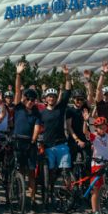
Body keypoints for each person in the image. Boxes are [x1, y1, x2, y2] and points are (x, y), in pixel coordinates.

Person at [13, 62, 41, 208]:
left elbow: (37, 127)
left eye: (32, 100)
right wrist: (18, 74)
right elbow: (17, 91)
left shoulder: (36, 113)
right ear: (25, 99)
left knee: (31, 172)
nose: (30, 102)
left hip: (30, 144)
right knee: (20, 171)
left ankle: (32, 199)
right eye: (28, 99)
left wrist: (34, 139)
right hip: (18, 142)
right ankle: (20, 196)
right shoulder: (18, 108)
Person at [40, 64, 72, 194]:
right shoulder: (41, 113)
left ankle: (67, 192)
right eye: (49, 96)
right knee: (51, 172)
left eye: (53, 96)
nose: (51, 98)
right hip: (48, 146)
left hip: (61, 145)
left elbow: (67, 92)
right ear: (46, 99)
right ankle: (50, 190)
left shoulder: (60, 108)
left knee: (66, 170)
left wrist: (67, 76)